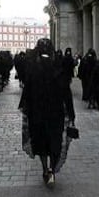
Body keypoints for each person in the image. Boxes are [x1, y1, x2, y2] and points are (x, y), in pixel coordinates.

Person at [19, 38, 76, 187]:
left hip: (37, 114)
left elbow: (27, 94)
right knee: (55, 141)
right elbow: (66, 94)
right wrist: (71, 113)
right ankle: (51, 168)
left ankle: (45, 169)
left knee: (41, 142)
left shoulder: (33, 69)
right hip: (55, 114)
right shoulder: (58, 69)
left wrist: (26, 110)